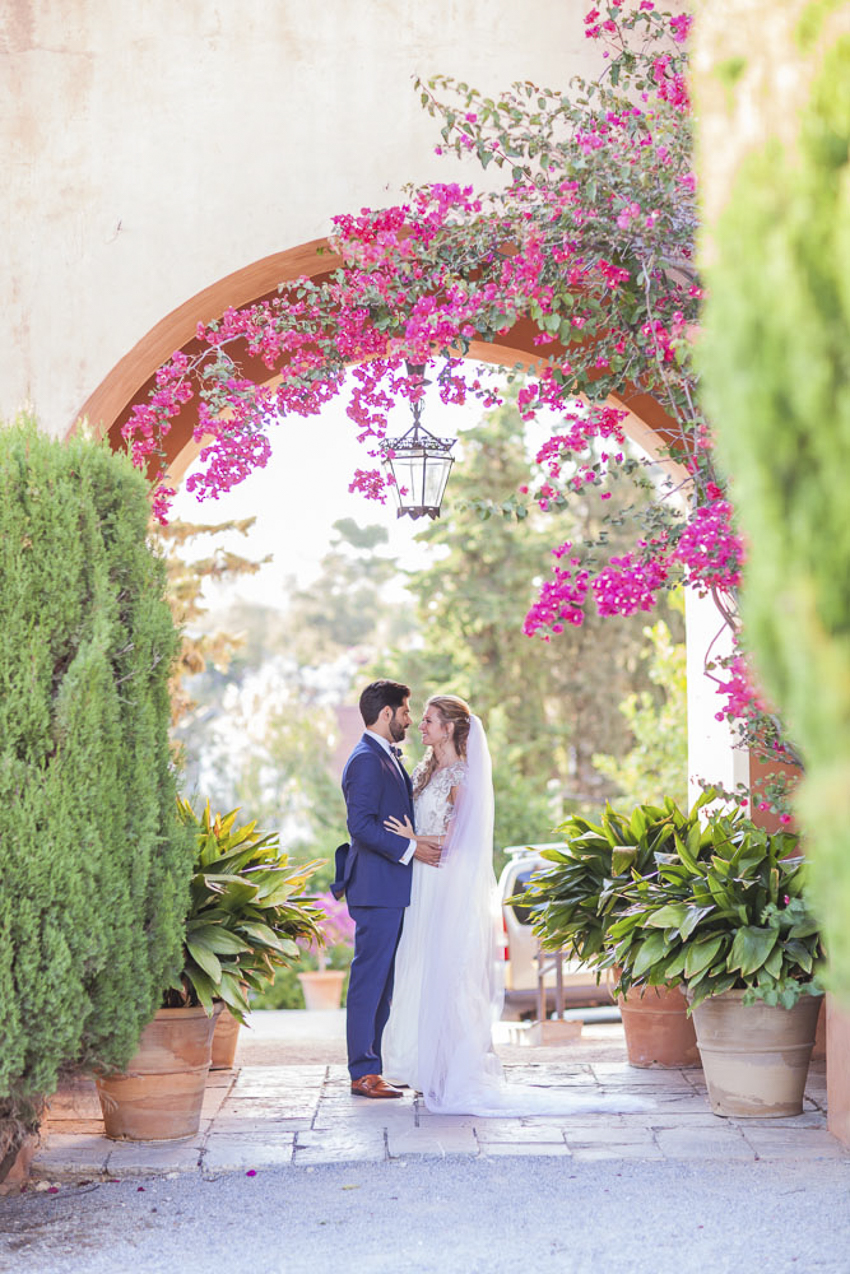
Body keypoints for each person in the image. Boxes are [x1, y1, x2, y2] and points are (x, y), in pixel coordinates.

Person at [381, 694, 645, 1118]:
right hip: (421, 886)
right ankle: (422, 1065)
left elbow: (459, 845)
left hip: (446, 887)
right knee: (420, 972)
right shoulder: (424, 771)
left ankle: (453, 1070)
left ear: (448, 728)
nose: (421, 726)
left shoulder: (463, 779)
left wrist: (411, 842)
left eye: (429, 720)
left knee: (451, 975)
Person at [337, 680, 442, 1099]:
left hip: (389, 890)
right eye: (404, 712)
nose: (409, 719)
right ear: (386, 714)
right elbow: (359, 825)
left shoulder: (385, 757)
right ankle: (362, 1072)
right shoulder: (365, 760)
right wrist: (410, 850)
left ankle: (373, 1067)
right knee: (369, 981)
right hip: (376, 888)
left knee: (383, 983)